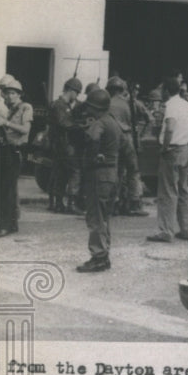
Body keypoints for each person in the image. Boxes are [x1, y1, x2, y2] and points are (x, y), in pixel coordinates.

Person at [75, 88, 120, 272]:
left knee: (95, 217)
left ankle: (98, 257)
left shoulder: (100, 123)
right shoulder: (113, 122)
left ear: (96, 107)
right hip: (112, 174)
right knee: (104, 217)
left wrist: (92, 156)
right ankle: (104, 253)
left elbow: (93, 138)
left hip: (99, 175)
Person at [147, 77, 188, 243]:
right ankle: (186, 229)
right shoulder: (186, 105)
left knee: (167, 191)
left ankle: (166, 230)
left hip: (172, 151)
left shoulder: (171, 106)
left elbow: (170, 128)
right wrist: (187, 140)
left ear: (166, 91)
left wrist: (165, 147)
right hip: (185, 150)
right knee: (183, 190)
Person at [0, 80, 33, 237]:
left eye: (13, 93)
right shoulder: (8, 109)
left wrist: (6, 123)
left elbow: (25, 129)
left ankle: (5, 225)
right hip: (6, 150)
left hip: (16, 151)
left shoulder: (25, 107)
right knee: (7, 189)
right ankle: (12, 222)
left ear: (19, 94)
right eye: (7, 93)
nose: (9, 96)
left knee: (7, 190)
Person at [106, 76, 147, 216]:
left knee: (116, 171)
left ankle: (114, 203)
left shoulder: (107, 103)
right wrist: (140, 136)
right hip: (127, 138)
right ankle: (134, 203)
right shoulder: (130, 103)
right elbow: (146, 118)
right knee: (133, 171)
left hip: (113, 139)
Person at [47, 77, 81, 213]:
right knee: (75, 171)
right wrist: (79, 126)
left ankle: (58, 203)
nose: (77, 96)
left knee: (61, 172)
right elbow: (64, 123)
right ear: (71, 91)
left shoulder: (61, 105)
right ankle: (71, 204)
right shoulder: (60, 105)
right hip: (65, 144)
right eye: (77, 92)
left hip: (59, 145)